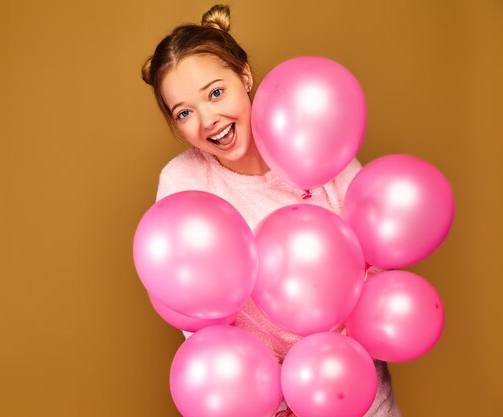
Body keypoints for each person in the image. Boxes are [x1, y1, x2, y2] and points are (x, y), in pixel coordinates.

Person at [141, 4, 402, 417]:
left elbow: (379, 260)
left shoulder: (313, 137)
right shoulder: (183, 185)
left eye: (215, 92)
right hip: (259, 403)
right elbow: (192, 312)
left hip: (348, 389)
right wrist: (276, 399)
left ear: (244, 76)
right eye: (185, 112)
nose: (208, 119)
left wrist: (324, 375)